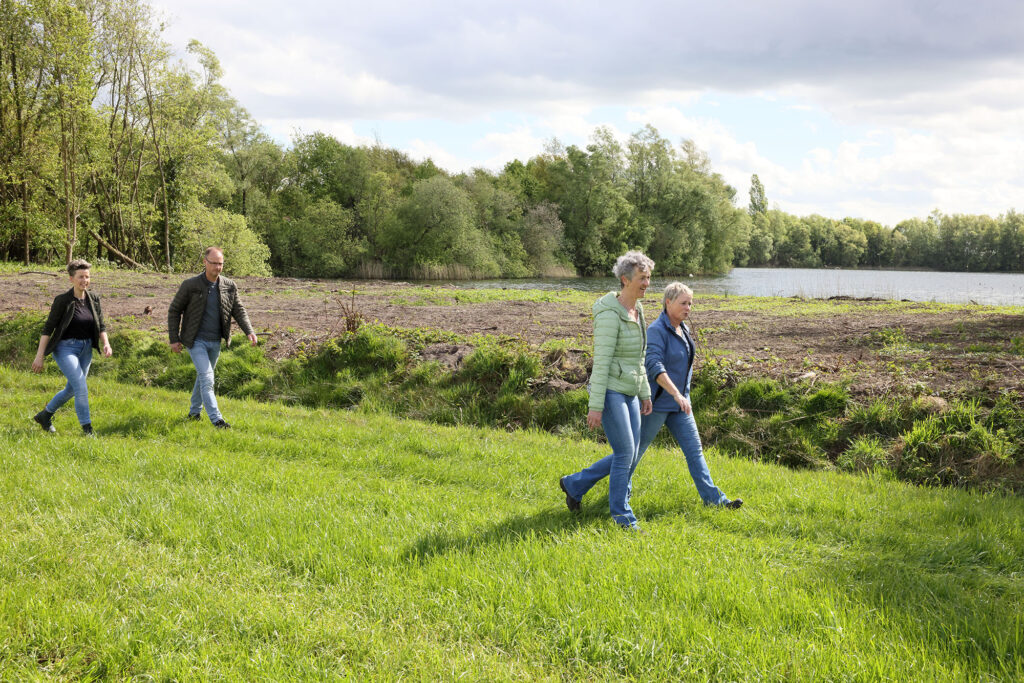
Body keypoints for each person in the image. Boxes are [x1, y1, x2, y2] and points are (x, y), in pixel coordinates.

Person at [559, 251, 654, 531]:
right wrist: (595, 405)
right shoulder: (609, 313)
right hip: (611, 390)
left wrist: (645, 392)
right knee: (625, 453)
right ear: (625, 280)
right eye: (642, 278)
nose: (647, 283)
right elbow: (601, 361)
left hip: (631, 390)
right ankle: (622, 517)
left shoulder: (638, 311)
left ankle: (574, 484)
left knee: (631, 452)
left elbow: (640, 356)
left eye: (649, 277)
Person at [631, 282, 742, 509]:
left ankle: (716, 501)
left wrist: (684, 396)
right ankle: (579, 484)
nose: (688, 307)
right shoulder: (656, 330)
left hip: (681, 404)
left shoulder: (683, 329)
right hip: (658, 404)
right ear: (668, 302)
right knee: (631, 453)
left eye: (690, 303)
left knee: (694, 451)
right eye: (683, 303)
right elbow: (653, 365)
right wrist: (675, 394)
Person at [168, 246, 257, 428]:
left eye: (221, 263)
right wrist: (173, 338)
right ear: (205, 262)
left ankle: (194, 414)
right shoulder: (190, 285)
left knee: (203, 377)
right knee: (208, 379)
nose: (218, 267)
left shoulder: (229, 286)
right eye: (214, 263)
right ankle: (217, 420)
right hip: (195, 340)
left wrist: (249, 330)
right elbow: (174, 311)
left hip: (215, 341)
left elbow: (238, 309)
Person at [31, 259, 113, 436]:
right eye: (80, 277)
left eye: (87, 277)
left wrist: (106, 343)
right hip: (65, 349)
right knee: (81, 387)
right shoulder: (62, 301)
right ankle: (87, 430)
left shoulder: (94, 299)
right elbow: (48, 329)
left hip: (86, 350)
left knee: (71, 389)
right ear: (71, 279)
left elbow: (101, 325)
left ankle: (45, 416)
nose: (85, 280)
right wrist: (40, 356)